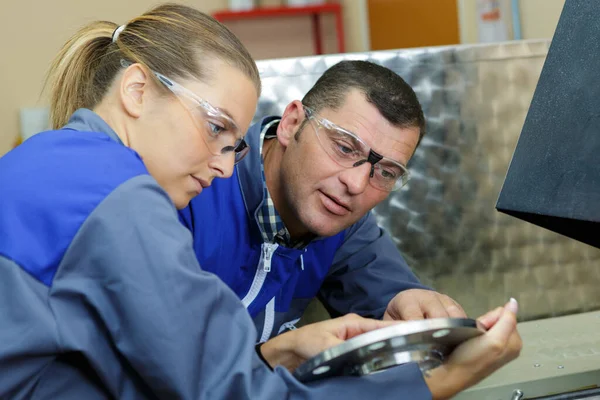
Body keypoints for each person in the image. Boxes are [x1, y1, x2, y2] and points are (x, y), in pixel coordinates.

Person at [0, 4, 521, 399]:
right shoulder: (129, 199)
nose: (225, 164)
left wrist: (279, 352)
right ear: (137, 91)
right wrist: (437, 383)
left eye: (385, 172)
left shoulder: (53, 159)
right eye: (214, 128)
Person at [179, 60, 467, 341]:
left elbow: (389, 295)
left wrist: (412, 303)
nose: (355, 184)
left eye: (385, 171)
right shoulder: (193, 188)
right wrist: (276, 358)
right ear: (292, 123)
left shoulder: (342, 222)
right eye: (344, 147)